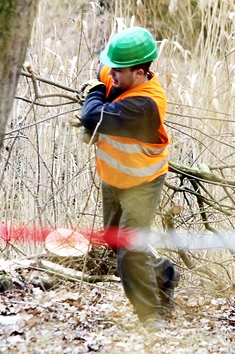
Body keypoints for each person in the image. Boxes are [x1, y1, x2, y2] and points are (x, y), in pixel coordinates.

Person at [70, 27, 180, 331]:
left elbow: (94, 116)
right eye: (112, 67)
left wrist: (93, 93)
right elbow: (101, 72)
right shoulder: (115, 72)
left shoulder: (146, 104)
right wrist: (101, 86)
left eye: (119, 70)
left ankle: (151, 317)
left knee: (129, 251)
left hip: (143, 182)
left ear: (141, 72)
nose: (111, 74)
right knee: (115, 240)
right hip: (114, 177)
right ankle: (164, 274)